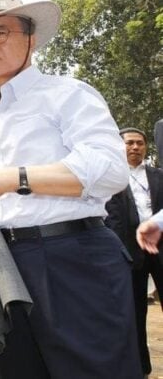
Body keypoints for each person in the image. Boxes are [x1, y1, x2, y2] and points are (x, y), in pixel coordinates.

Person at [0, 0, 139, 378]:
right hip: (5, 265)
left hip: (73, 256)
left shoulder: (68, 95)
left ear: (30, 38)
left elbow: (109, 168)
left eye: (0, 32)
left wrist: (11, 179)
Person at [105, 127, 163, 376]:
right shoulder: (110, 179)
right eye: (129, 143)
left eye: (140, 143)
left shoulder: (159, 175)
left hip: (161, 250)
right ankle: (141, 367)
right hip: (129, 254)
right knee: (136, 312)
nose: (135, 147)